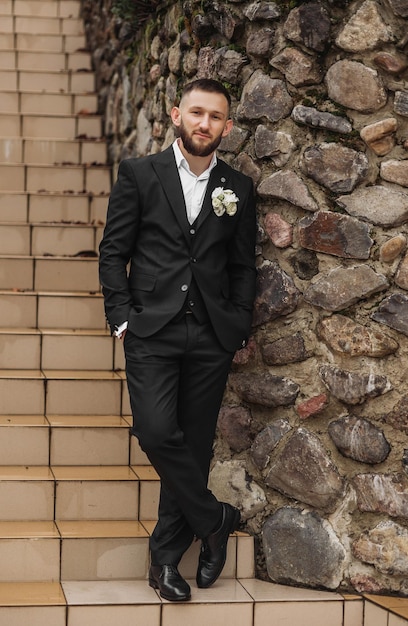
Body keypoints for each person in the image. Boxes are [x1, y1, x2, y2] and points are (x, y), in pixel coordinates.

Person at [99, 78, 257, 602]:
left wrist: (234, 323)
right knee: (154, 429)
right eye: (196, 113)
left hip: (211, 335)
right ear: (175, 115)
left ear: (227, 126)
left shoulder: (239, 187)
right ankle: (215, 519)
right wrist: (121, 317)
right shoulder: (140, 175)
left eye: (215, 116)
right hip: (151, 330)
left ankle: (165, 561)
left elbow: (241, 266)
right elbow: (113, 250)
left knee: (192, 444)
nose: (204, 123)